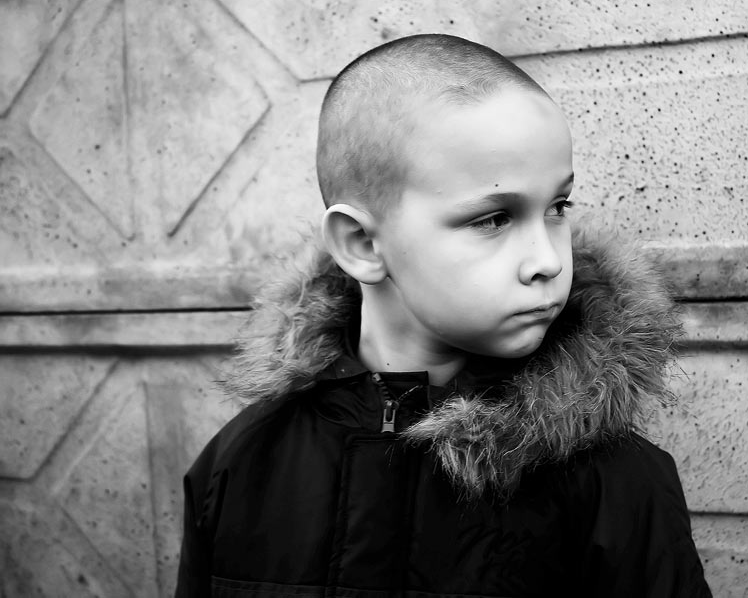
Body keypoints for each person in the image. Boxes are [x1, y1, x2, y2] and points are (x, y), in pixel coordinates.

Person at [175, 34, 712, 598]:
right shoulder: (239, 465)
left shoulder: (612, 482)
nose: (549, 261)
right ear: (362, 244)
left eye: (558, 208)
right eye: (493, 219)